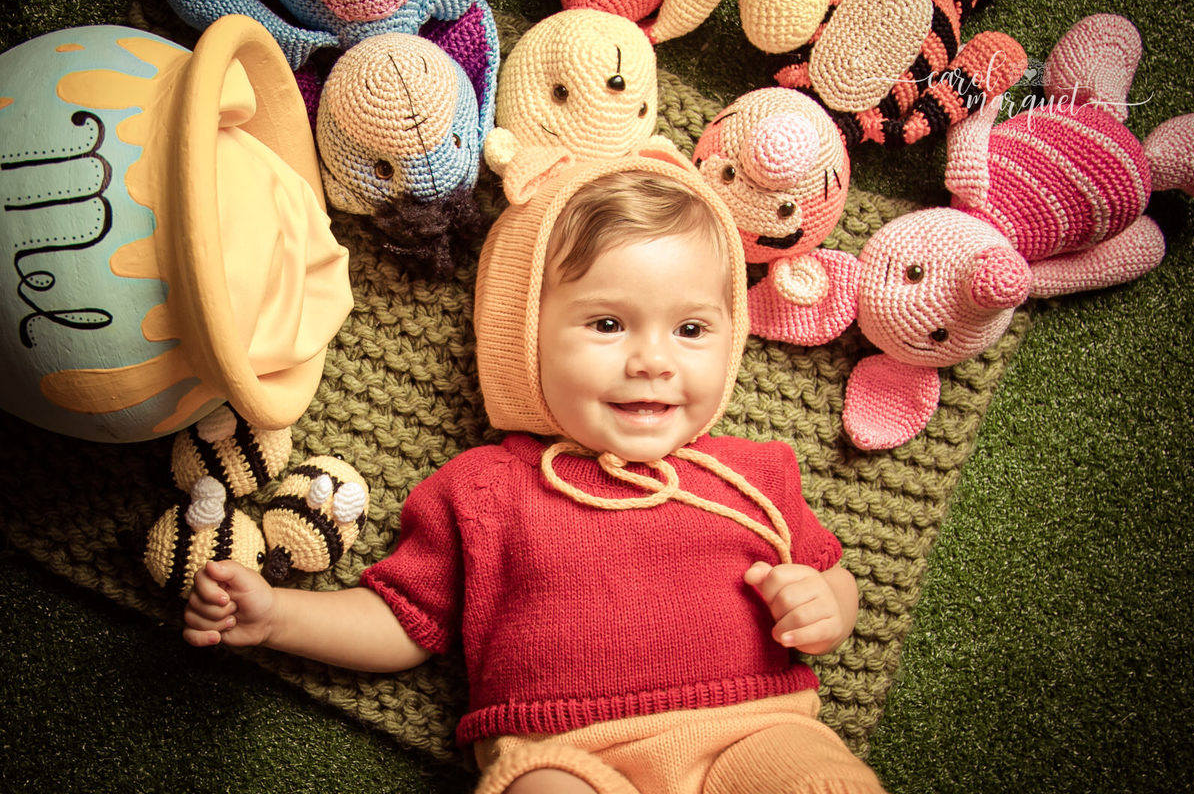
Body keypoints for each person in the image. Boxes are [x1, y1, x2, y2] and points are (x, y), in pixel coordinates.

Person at [183, 150, 886, 794]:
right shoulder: (485, 489)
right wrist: (279, 616)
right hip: (566, 755)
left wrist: (829, 606)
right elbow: (405, 622)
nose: (655, 360)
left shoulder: (755, 474)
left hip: (759, 731)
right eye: (607, 324)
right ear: (522, 333)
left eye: (692, 329)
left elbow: (831, 575)